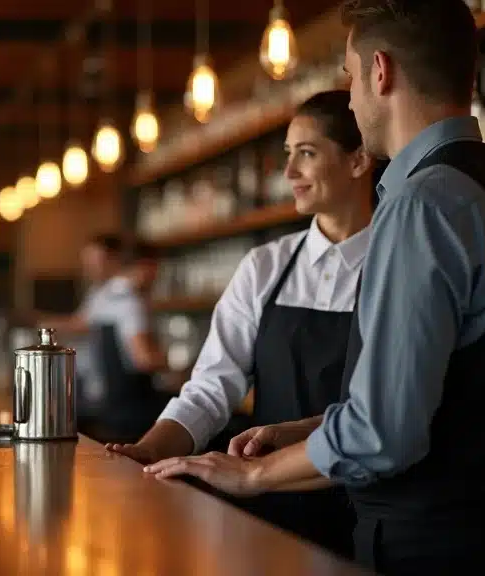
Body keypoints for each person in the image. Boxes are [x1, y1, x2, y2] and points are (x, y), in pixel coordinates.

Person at [139, 2, 485, 574]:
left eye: (348, 75)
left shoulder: (420, 205)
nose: (352, 97)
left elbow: (384, 431)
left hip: (428, 542)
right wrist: (305, 428)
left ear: (380, 72)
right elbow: (448, 392)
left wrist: (253, 473)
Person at [106, 89, 377, 557]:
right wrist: (150, 450)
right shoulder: (265, 267)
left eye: (307, 154)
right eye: (287, 155)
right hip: (272, 501)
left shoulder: (396, 263)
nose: (289, 173)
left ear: (358, 160)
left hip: (367, 507)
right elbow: (212, 387)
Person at [47, 234, 170, 443]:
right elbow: (144, 360)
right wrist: (180, 365)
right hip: (128, 408)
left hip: (102, 400)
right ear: (146, 266)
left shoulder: (104, 296)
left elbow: (80, 324)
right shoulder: (130, 302)